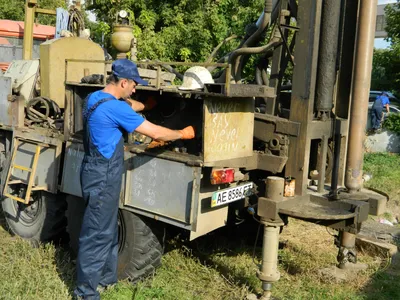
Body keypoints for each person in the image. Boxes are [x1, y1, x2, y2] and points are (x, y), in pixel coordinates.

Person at [73, 59, 195, 299]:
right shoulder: (116, 109)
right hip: (103, 176)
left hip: (95, 169)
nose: (135, 88)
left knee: (107, 229)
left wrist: (147, 105)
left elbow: (130, 105)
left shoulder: (96, 98)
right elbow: (155, 132)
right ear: (123, 82)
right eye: (134, 85)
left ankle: (107, 280)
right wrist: (182, 133)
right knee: (95, 234)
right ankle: (85, 293)